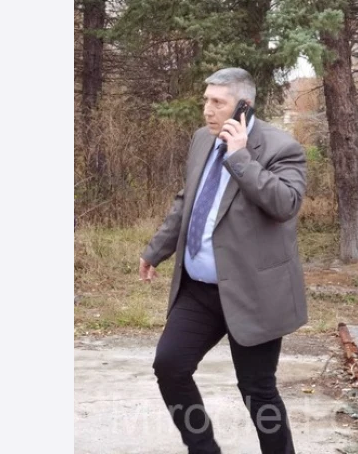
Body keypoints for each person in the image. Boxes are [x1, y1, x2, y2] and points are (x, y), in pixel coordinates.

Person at [138, 67, 308, 454]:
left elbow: (286, 204)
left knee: (257, 390)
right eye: (206, 100)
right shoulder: (202, 139)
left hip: (253, 292)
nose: (207, 110)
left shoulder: (281, 148)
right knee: (170, 366)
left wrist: (240, 157)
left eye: (218, 102)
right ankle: (203, 448)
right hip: (199, 291)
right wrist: (156, 250)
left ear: (243, 106)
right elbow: (188, 201)